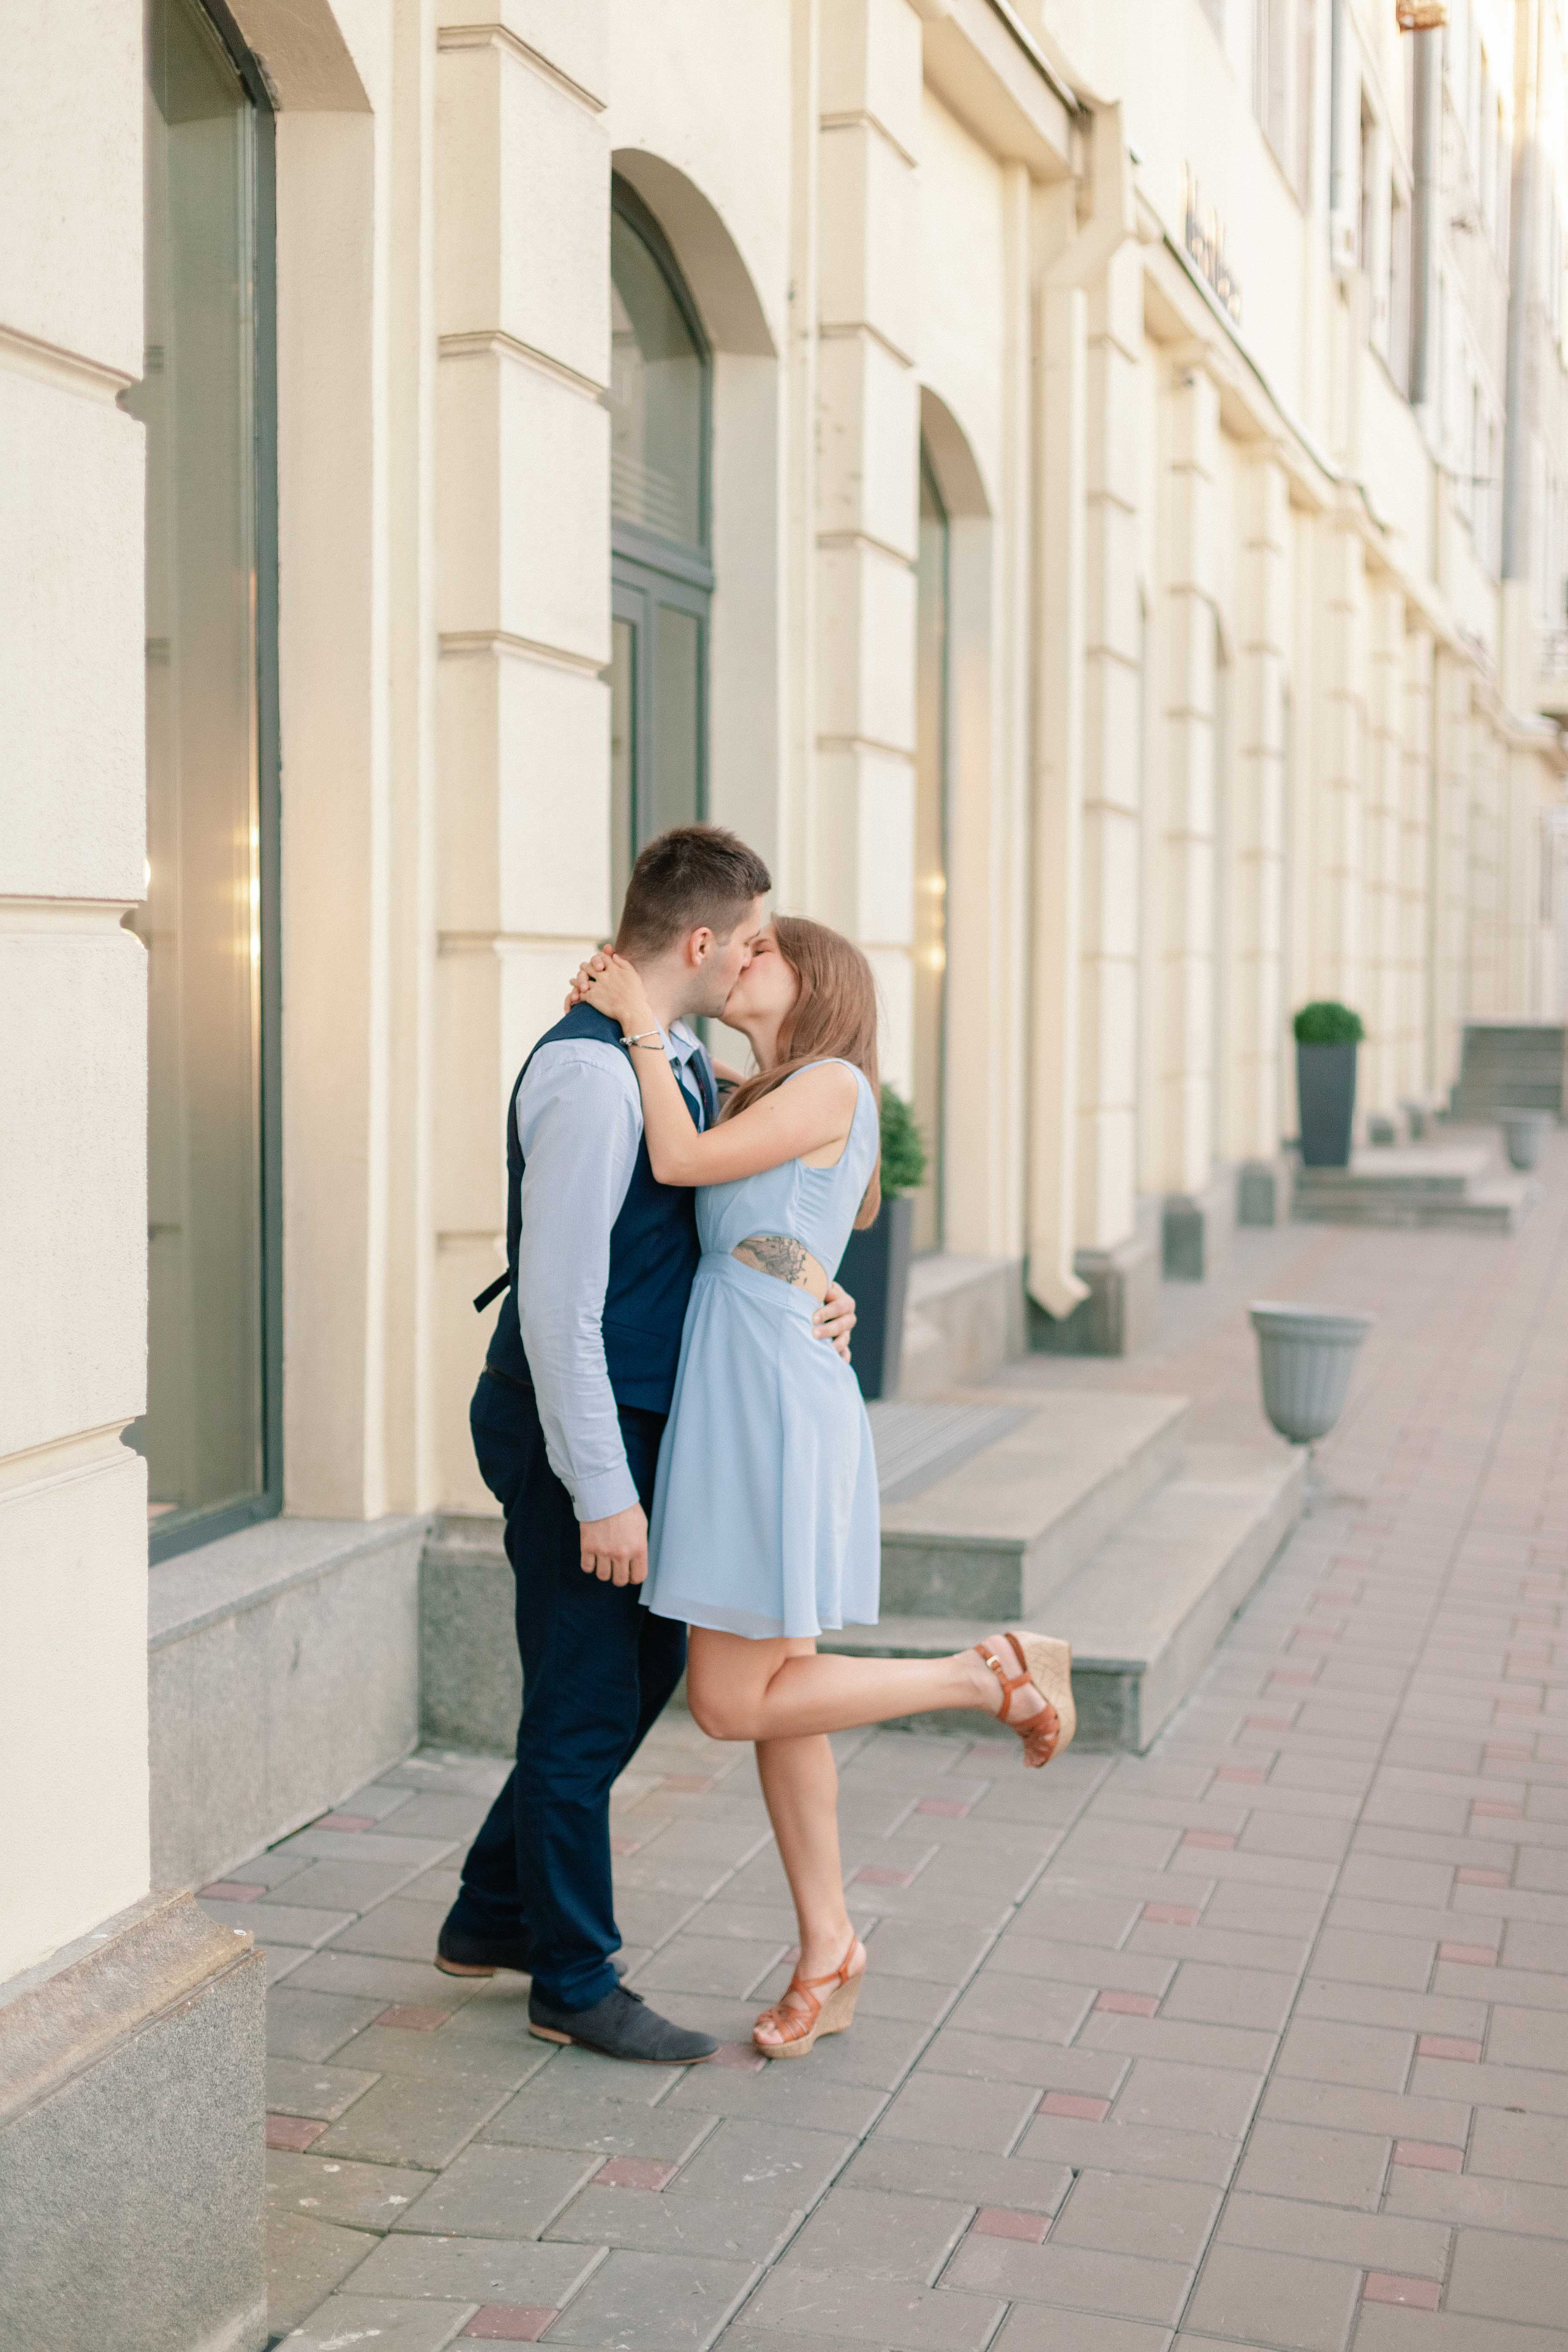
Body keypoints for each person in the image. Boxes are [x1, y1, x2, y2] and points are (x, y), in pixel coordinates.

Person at [579, 914, 1075, 2060]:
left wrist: (640, 1018)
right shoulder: (764, 1094)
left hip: (764, 1400)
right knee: (780, 1690)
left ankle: (982, 1676)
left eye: (764, 950)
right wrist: (815, 1283)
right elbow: (780, 1229)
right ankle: (829, 1948)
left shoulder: (834, 1083)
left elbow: (679, 1165)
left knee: (730, 1702)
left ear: (818, 984)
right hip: (751, 1383)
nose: (740, 959)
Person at [435, 827, 859, 2065]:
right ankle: (573, 1980)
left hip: (657, 1421)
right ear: (702, 942)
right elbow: (561, 1310)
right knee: (580, 1703)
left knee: (644, 1672)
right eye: (751, 940)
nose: (756, 959)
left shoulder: (672, 1058)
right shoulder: (588, 1075)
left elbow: (745, 1216)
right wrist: (602, 1493)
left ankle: (492, 1909)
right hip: (582, 1426)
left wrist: (817, 1288)